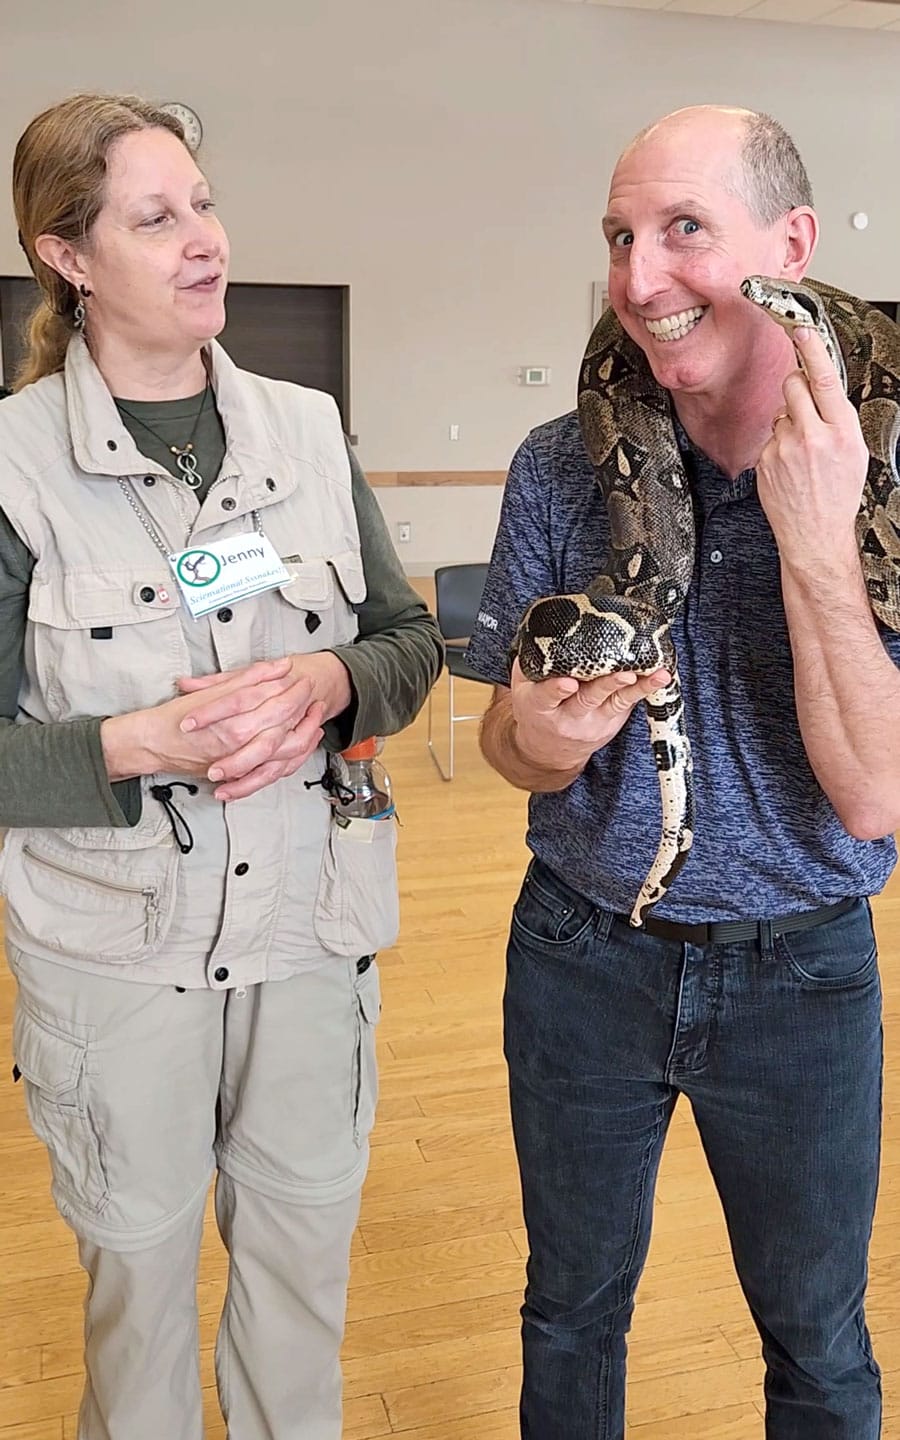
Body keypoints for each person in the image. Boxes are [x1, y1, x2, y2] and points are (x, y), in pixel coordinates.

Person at [0, 92, 442, 1440]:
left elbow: (410, 641)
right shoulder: (14, 468)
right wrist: (137, 743)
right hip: (118, 958)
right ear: (68, 256)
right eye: (155, 217)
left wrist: (325, 683)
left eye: (203, 204)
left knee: (301, 1272)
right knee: (138, 1279)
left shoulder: (306, 432)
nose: (205, 240)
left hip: (310, 937)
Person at [466, 104, 899, 1440]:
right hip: (582, 956)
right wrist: (542, 740)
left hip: (803, 972)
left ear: (795, 247)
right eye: (618, 236)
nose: (639, 278)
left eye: (684, 231)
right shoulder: (557, 464)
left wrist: (819, 542)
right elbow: (504, 744)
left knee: (818, 1341)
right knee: (569, 1314)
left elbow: (878, 797)